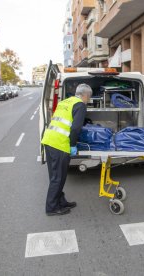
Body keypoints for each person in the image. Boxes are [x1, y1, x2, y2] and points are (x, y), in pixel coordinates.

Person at [41, 83, 92, 216]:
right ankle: (51, 208)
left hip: (49, 139)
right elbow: (75, 128)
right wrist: (73, 145)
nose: (89, 100)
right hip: (59, 144)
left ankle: (60, 201)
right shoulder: (80, 105)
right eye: (89, 97)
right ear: (85, 95)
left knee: (56, 176)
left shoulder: (65, 102)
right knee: (58, 177)